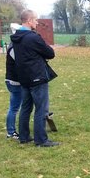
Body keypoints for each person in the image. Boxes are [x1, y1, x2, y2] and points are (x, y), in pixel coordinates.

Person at [11, 9, 59, 147]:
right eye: (36, 20)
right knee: (41, 108)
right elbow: (50, 53)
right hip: (37, 76)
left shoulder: (16, 38)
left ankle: (24, 137)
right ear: (29, 20)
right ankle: (41, 140)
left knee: (25, 107)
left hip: (24, 77)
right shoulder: (33, 37)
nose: (37, 23)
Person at [5, 23, 22, 140]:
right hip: (14, 81)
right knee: (14, 107)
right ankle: (11, 132)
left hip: (13, 80)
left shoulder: (13, 45)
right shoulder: (14, 48)